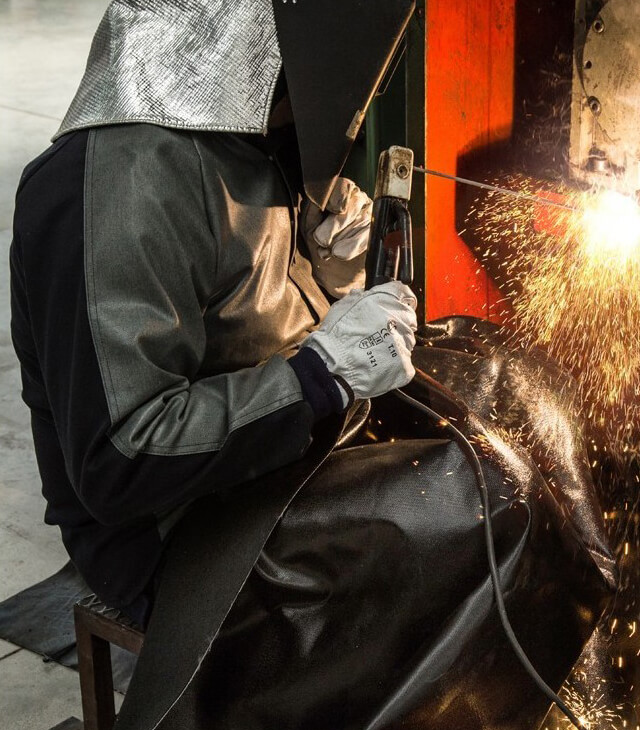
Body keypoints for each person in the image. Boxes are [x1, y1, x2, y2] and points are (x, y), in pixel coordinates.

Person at [10, 0, 418, 625]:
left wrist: (321, 266)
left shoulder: (237, 137)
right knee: (428, 554)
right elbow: (124, 458)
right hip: (172, 529)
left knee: (493, 438)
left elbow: (233, 310)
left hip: (270, 457)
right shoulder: (121, 184)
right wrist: (319, 376)